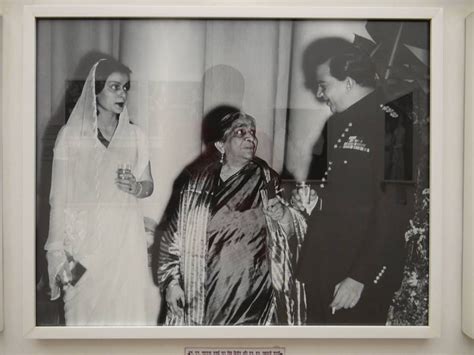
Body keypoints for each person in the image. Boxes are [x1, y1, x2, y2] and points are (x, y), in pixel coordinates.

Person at [293, 38, 406, 325]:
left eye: (324, 84)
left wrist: (360, 276)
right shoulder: (338, 122)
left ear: (349, 82)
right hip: (326, 262)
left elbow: (394, 209)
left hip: (356, 274)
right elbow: (338, 192)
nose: (320, 93)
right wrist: (310, 199)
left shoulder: (393, 124)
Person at [157, 111, 307, 325]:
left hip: (254, 290)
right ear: (221, 145)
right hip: (206, 290)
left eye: (252, 132)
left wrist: (283, 215)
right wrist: (171, 283)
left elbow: (295, 229)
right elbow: (173, 237)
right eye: (241, 132)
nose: (250, 138)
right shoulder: (195, 183)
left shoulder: (267, 178)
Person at [44, 58, 154, 325]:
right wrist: (57, 250)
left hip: (125, 244)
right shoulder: (70, 136)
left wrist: (137, 187)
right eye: (114, 87)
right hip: (83, 245)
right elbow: (59, 198)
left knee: (125, 317)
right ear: (95, 89)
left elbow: (148, 185)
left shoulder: (136, 135)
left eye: (126, 88)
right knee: (80, 314)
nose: (122, 94)